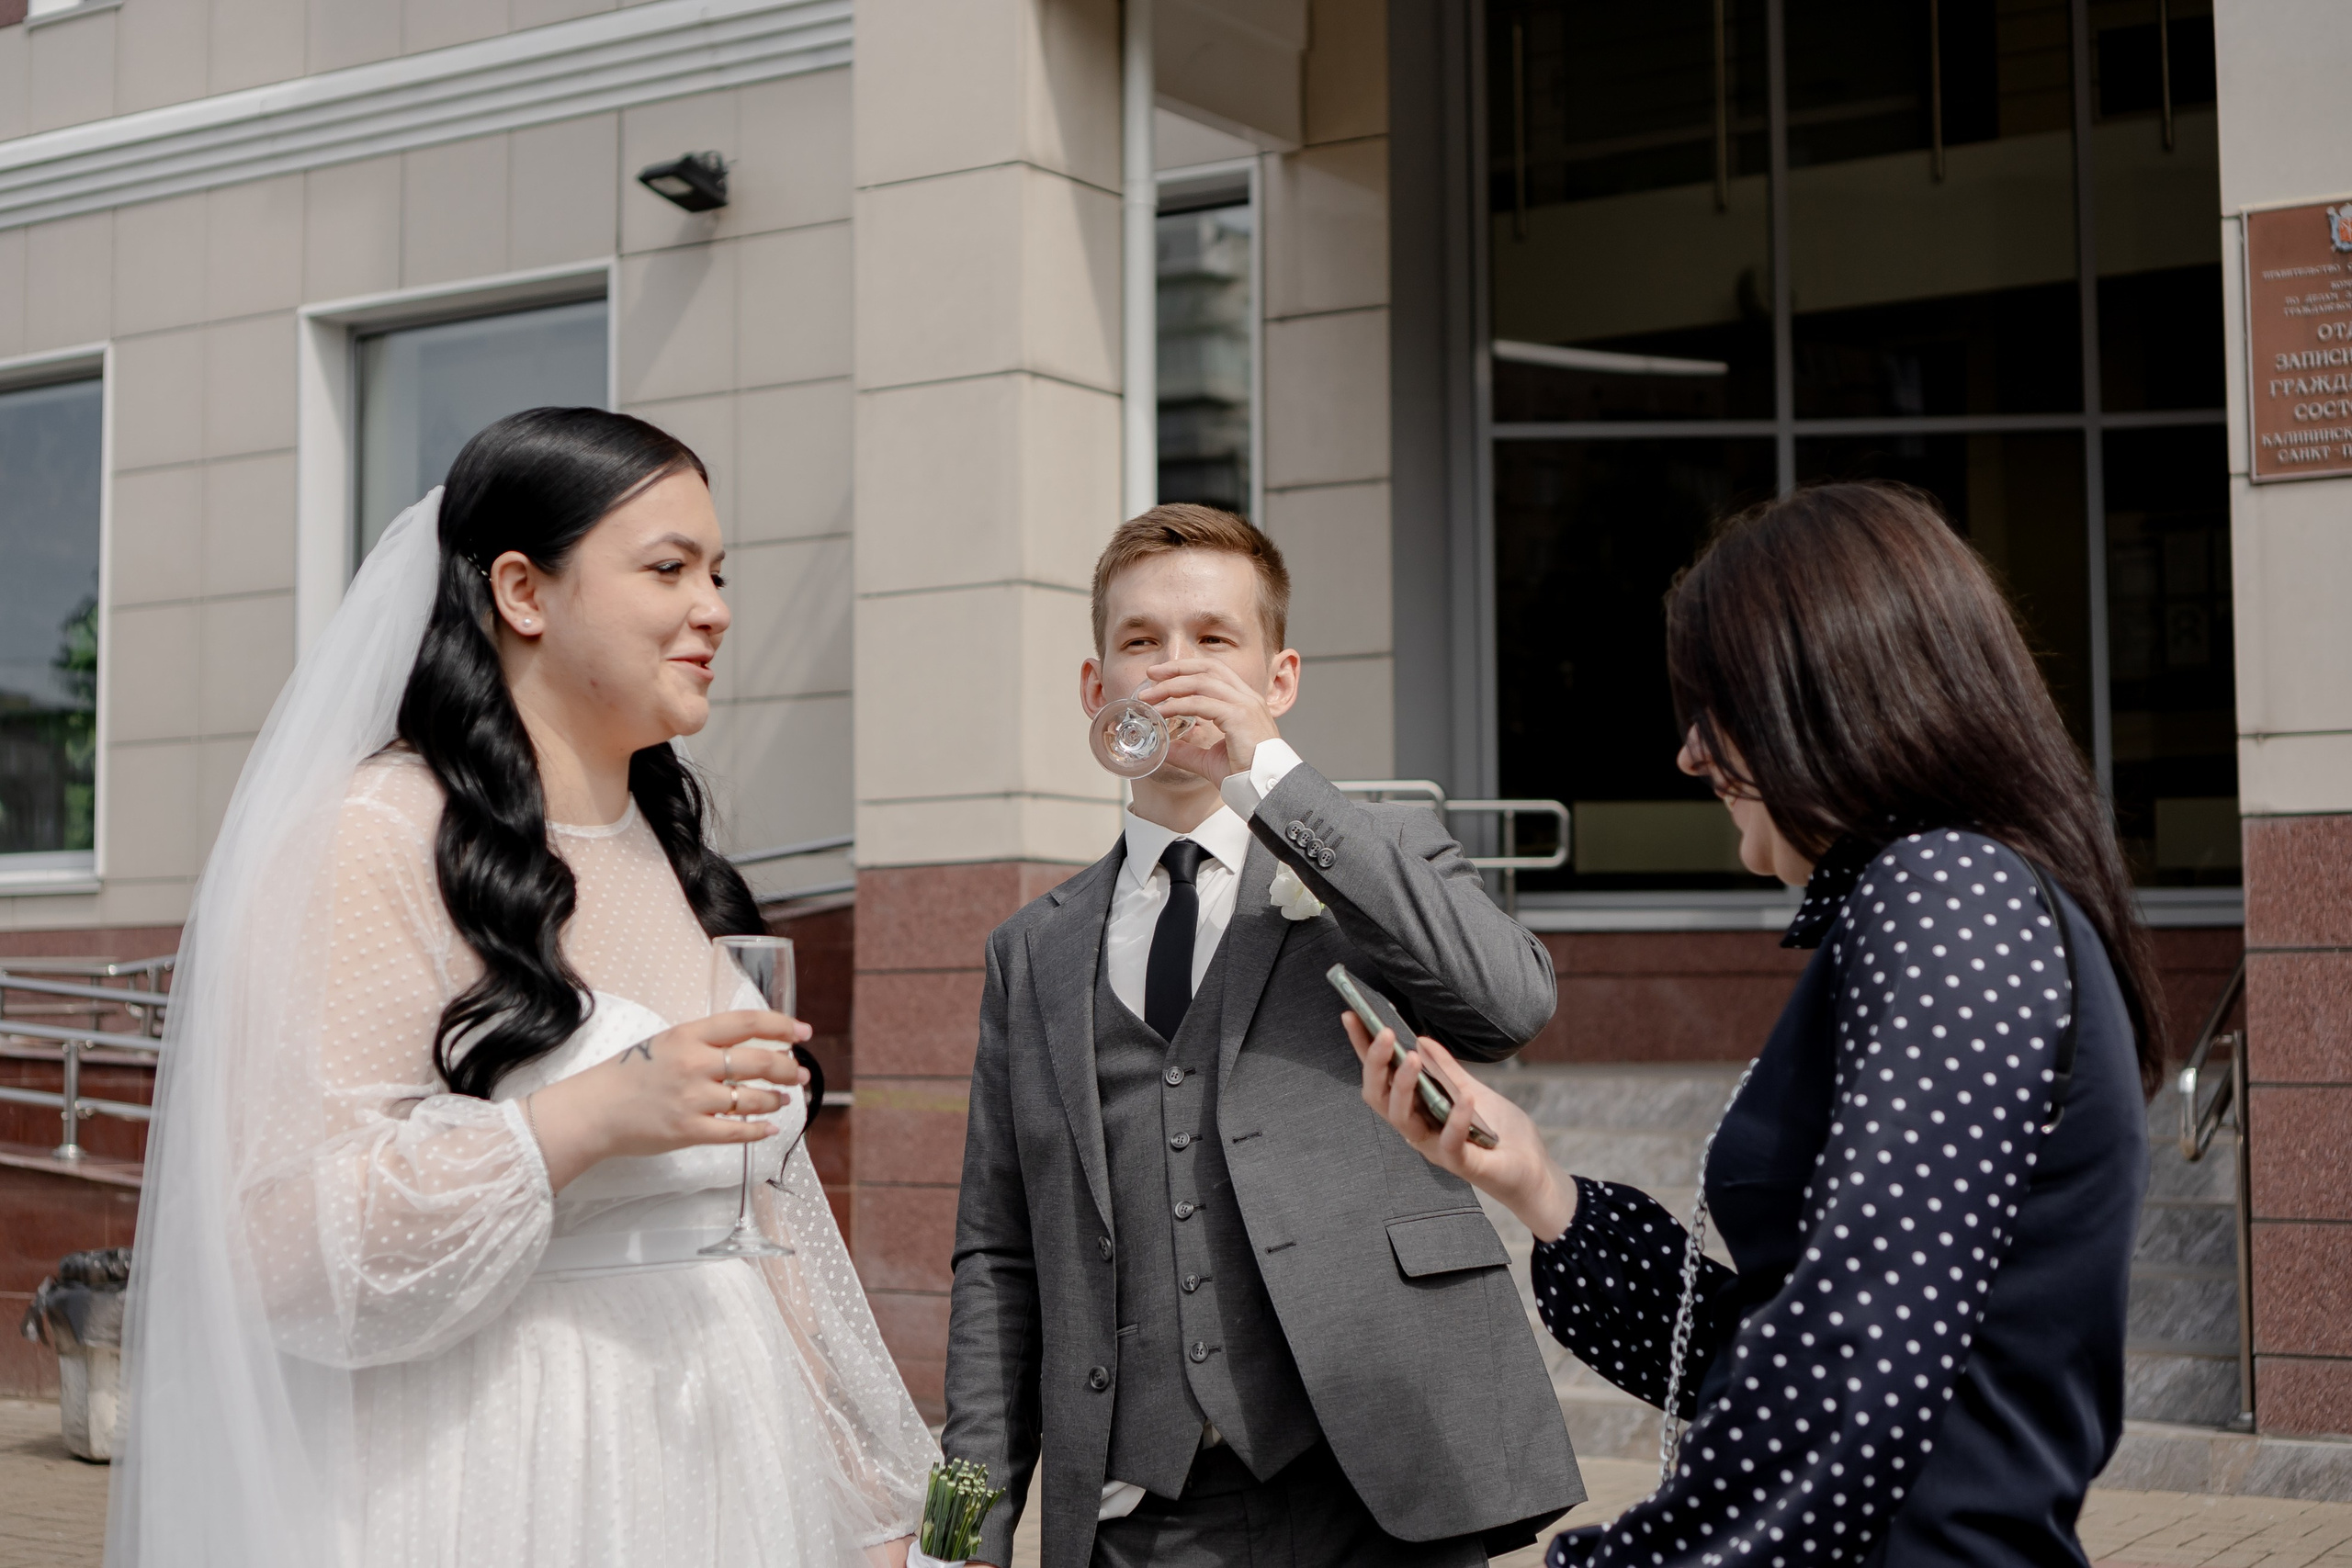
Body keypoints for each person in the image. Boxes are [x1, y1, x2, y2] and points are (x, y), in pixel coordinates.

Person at [108, 409, 937, 1568]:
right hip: (511, 1469)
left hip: (736, 1468)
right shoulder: (379, 836)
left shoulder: (679, 857)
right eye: (668, 568)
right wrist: (582, 1120)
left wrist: (865, 1497)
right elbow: (281, 1252)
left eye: (718, 572)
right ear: (522, 591)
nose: (716, 607)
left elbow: (768, 1217)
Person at [1349, 481, 2161, 1568]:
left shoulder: (1948, 893)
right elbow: (1774, 1347)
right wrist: (1541, 1191)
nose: (1689, 756)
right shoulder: (1939, 895)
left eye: (1713, 709)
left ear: (1824, 696)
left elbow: (1852, 1365)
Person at [942, 504, 1584, 1568]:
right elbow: (995, 1262)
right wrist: (951, 1538)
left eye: (1212, 640)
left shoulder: (1372, 862)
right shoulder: (1029, 953)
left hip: (1389, 1485)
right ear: (1098, 691)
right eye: (1141, 643)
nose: (1174, 669)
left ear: (1276, 680)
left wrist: (1273, 778)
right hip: (1146, 1519)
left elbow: (1511, 1004)